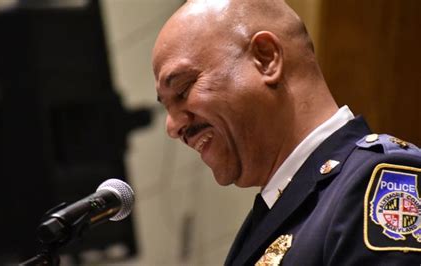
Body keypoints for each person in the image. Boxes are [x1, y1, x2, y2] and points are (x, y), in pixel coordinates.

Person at [152, 0, 421, 265]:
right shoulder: (274, 213)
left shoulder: (378, 182)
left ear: (266, 58)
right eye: (166, 106)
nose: (172, 127)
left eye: (183, 89)